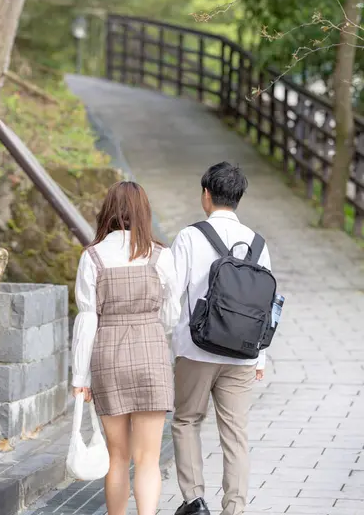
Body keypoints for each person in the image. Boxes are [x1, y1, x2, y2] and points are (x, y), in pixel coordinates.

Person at [72, 181, 180, 515]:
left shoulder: (92, 257)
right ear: (144, 214)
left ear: (108, 212)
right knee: (147, 459)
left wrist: (80, 377)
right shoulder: (161, 255)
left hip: (108, 357)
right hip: (151, 353)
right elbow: (172, 314)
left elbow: (87, 320)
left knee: (117, 457)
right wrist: (150, 327)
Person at [171, 162, 271, 515]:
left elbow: (171, 294)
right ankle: (235, 509)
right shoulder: (259, 244)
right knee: (235, 435)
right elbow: (267, 306)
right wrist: (261, 357)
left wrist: (169, 340)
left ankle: (194, 501)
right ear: (238, 198)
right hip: (242, 355)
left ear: (206, 195)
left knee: (186, 421)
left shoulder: (189, 237)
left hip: (196, 350)